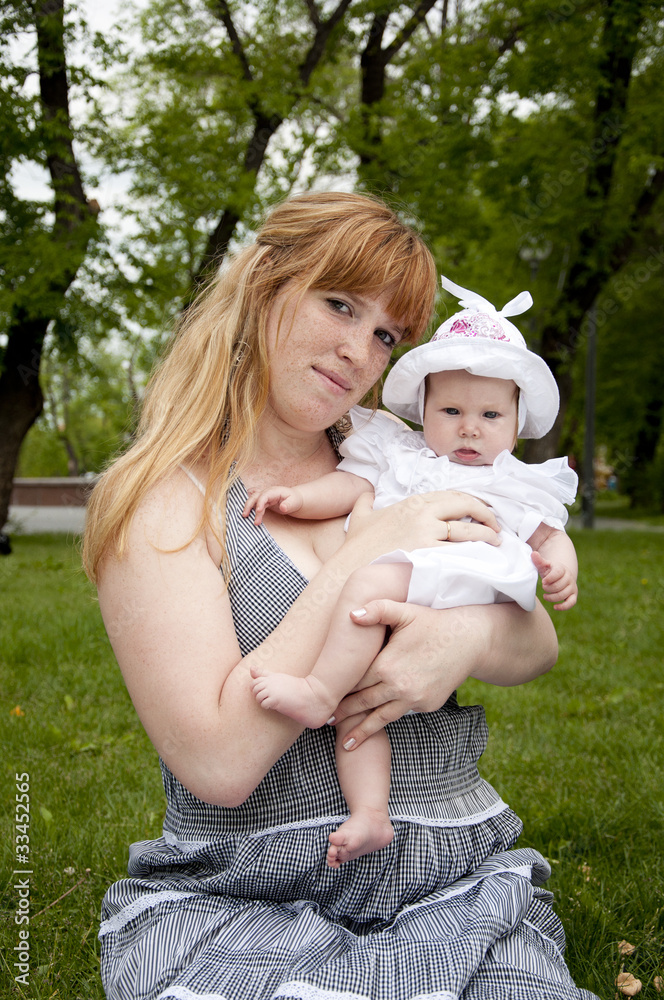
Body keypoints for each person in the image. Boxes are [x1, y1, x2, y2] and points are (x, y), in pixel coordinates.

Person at [83, 192, 598, 1000]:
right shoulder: (164, 500)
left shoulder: (400, 454)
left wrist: (463, 638)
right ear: (264, 285)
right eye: (340, 305)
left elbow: (537, 641)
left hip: (447, 878)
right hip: (245, 894)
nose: (360, 351)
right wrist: (369, 545)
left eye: (386, 334)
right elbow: (217, 762)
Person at [245, 276, 578, 869]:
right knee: (364, 702)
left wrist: (559, 569)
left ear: (515, 421)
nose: (470, 427)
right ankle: (370, 814)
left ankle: (317, 691)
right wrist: (299, 499)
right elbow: (351, 486)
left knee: (364, 591)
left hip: (454, 584)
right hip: (416, 576)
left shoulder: (511, 481)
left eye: (490, 414)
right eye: (451, 410)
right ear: (423, 411)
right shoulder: (403, 458)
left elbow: (550, 533)